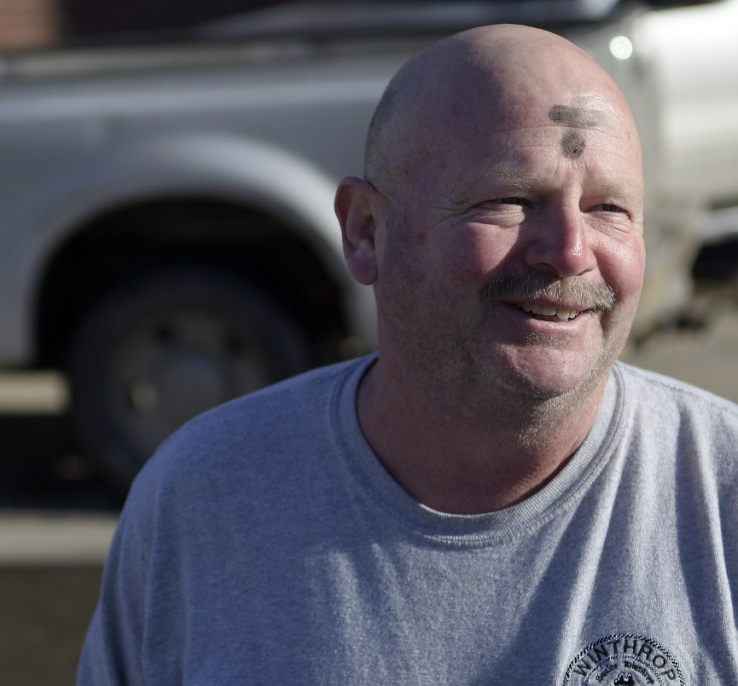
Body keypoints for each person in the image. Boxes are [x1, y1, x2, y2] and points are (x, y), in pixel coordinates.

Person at [78, 24, 738, 684]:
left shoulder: (722, 494)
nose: (569, 250)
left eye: (608, 209)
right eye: (509, 200)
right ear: (366, 231)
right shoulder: (205, 496)